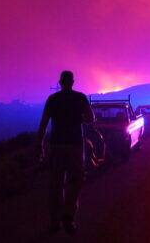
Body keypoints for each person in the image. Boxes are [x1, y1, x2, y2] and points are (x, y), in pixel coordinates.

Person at [36, 70, 94, 235]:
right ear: (73, 82)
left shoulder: (53, 99)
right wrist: (78, 119)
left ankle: (54, 222)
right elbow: (90, 119)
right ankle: (68, 214)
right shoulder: (80, 98)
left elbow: (44, 123)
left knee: (55, 184)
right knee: (75, 182)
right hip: (75, 145)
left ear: (60, 83)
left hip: (56, 146)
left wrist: (39, 144)